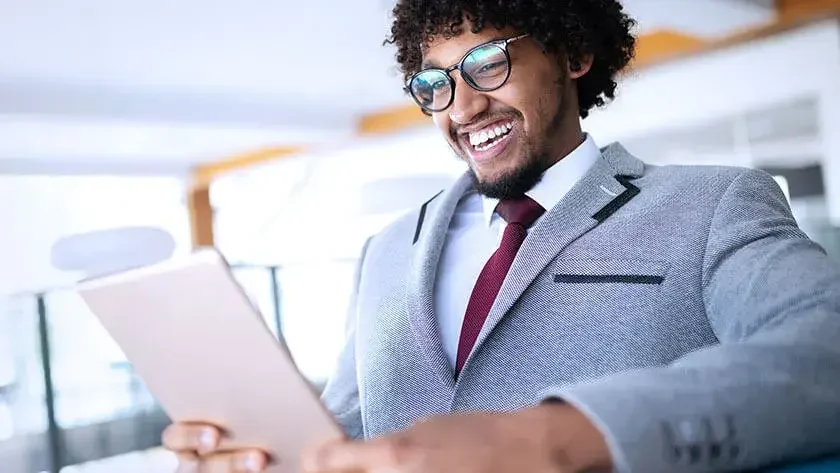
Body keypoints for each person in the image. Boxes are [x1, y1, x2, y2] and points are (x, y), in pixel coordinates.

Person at [163, 0, 840, 472]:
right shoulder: (386, 250)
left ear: (573, 53)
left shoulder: (711, 204)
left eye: (489, 64)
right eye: (434, 84)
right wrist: (259, 452)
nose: (462, 107)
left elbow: (824, 352)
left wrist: (555, 437)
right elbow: (352, 427)